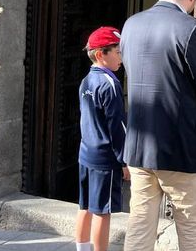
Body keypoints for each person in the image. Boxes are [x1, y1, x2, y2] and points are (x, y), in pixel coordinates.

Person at [120, 0, 196, 251]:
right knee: (190, 228)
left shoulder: (132, 24)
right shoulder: (191, 29)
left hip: (139, 145)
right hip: (183, 148)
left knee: (139, 226)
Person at [75, 26, 130, 251]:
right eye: (117, 52)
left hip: (86, 153)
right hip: (105, 159)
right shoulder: (110, 84)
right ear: (101, 54)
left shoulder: (86, 81)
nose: (121, 58)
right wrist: (124, 160)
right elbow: (117, 127)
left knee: (85, 207)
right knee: (102, 212)